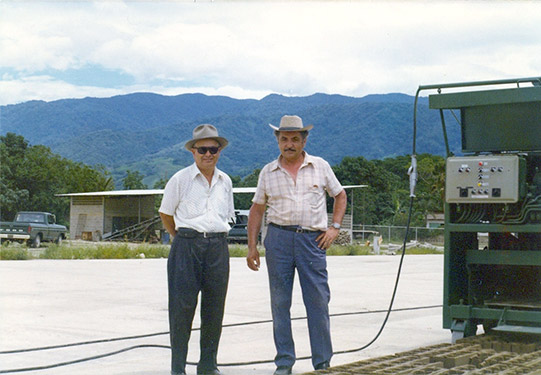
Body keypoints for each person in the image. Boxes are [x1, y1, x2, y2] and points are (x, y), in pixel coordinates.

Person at [246, 115, 347, 375]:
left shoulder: (320, 166)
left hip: (312, 241)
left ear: (304, 140)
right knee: (280, 303)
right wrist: (252, 246)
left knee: (318, 301)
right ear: (277, 141)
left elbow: (340, 195)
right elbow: (257, 209)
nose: (288, 144)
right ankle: (284, 362)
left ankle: (322, 362)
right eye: (283, 139)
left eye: (294, 139)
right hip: (278, 240)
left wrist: (334, 227)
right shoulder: (268, 172)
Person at [159, 124, 235, 375]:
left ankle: (208, 365)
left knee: (215, 308)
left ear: (219, 151)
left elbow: (228, 215)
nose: (208, 154)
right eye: (202, 149)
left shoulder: (226, 182)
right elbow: (166, 214)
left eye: (213, 149)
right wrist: (182, 237)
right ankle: (178, 368)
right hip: (187, 246)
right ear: (193, 151)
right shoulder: (180, 179)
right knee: (182, 309)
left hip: (217, 247)